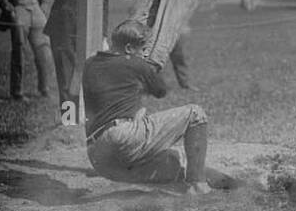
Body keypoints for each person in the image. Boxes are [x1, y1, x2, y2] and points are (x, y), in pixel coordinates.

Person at [81, 19, 211, 195]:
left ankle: (227, 185)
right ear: (128, 48)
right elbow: (160, 91)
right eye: (142, 49)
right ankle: (198, 185)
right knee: (196, 113)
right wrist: (146, 68)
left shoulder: (89, 64)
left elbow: (113, 91)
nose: (144, 54)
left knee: (172, 161)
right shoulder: (136, 63)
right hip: (122, 139)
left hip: (99, 159)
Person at [41, 0, 110, 109]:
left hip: (89, 29)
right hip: (63, 29)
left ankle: (87, 119)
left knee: (91, 76)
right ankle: (69, 120)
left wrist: (103, 33)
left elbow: (104, 1)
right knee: (66, 77)